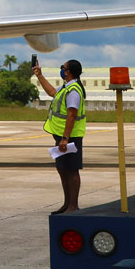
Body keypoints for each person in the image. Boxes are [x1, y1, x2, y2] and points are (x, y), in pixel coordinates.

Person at [36, 58, 86, 214]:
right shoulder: (66, 88)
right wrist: (39, 75)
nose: (62, 70)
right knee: (63, 169)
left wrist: (65, 138)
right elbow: (51, 92)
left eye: (63, 67)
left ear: (68, 71)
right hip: (61, 135)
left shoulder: (73, 91)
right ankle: (67, 204)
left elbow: (72, 115)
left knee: (72, 170)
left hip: (70, 137)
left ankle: (73, 205)